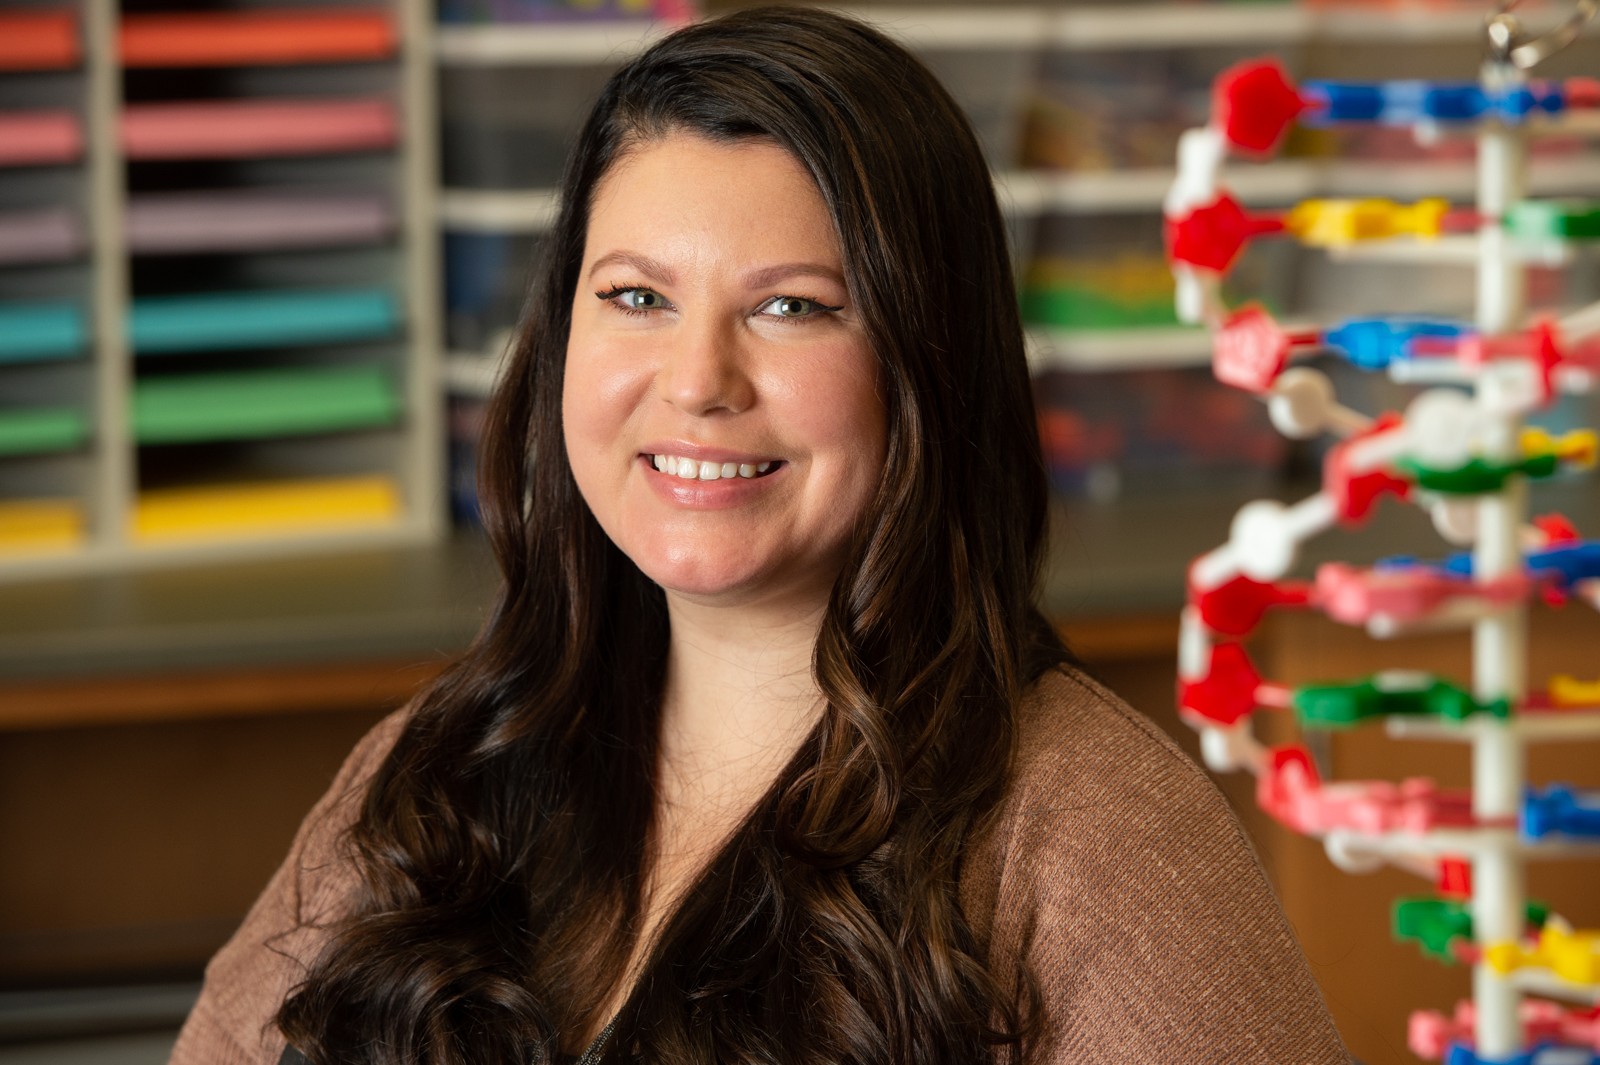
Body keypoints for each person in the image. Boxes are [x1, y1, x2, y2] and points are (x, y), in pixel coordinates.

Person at [170, 7, 1349, 1064]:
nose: (697, 381)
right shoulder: (437, 774)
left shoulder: (1088, 836)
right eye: (636, 297)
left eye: (794, 307)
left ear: (928, 363)